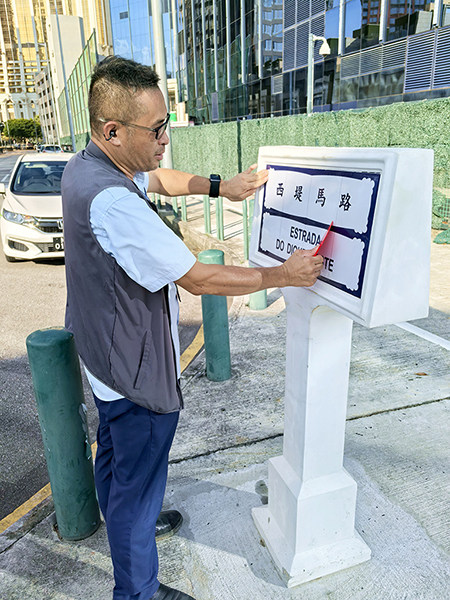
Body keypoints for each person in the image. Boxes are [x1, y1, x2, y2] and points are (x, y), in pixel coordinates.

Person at [61, 56, 323, 600]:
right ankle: (137, 590)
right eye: (156, 130)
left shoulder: (86, 166)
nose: (165, 140)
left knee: (113, 456)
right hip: (133, 369)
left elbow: (158, 177)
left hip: (103, 356)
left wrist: (220, 187)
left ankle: (124, 525)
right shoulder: (114, 202)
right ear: (113, 131)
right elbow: (200, 278)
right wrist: (282, 273)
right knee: (137, 480)